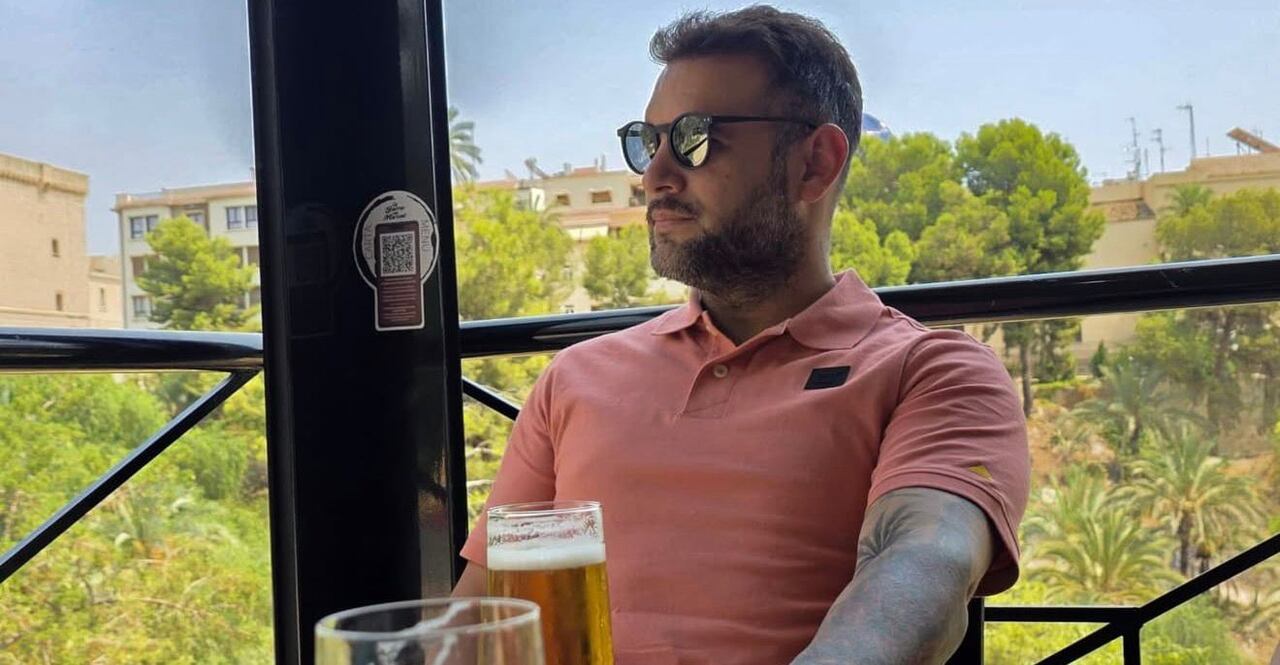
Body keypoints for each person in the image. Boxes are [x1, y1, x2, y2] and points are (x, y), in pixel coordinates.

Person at [454, 6, 1029, 664]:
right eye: (647, 141)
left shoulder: (932, 373)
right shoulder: (575, 379)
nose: (654, 175)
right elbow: (476, 618)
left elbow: (924, 564)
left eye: (695, 138)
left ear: (815, 163)